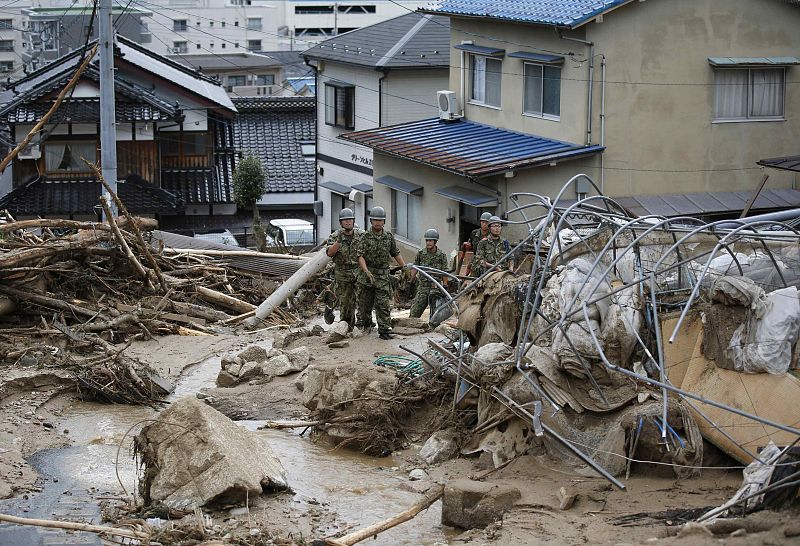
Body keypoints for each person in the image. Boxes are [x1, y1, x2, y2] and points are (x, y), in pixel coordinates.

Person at [356, 206, 406, 340]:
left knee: (383, 303)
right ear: (371, 221)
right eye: (375, 220)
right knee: (365, 304)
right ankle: (366, 324)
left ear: (384, 222)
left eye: (381, 220)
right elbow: (360, 255)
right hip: (367, 275)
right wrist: (366, 271)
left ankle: (384, 329)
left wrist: (404, 267)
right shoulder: (365, 237)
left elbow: (395, 253)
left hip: (383, 276)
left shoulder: (388, 237)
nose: (378, 223)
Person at [325, 207, 362, 327]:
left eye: (350, 219)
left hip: (358, 270)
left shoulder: (361, 235)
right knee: (346, 302)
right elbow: (330, 253)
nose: (348, 222)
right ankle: (347, 326)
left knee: (363, 299)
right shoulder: (335, 236)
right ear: (341, 223)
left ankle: (364, 323)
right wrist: (339, 241)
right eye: (345, 220)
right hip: (342, 272)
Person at [408, 228, 449, 319]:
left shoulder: (441, 255)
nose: (428, 243)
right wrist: (410, 281)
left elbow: (444, 271)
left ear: (435, 241)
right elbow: (415, 267)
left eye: (430, 241)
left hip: (435, 288)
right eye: (427, 241)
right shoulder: (421, 253)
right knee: (414, 313)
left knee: (436, 316)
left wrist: (445, 285)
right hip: (423, 287)